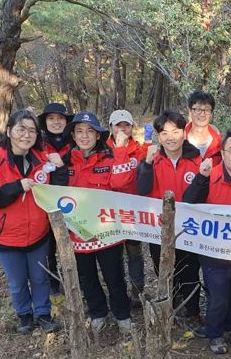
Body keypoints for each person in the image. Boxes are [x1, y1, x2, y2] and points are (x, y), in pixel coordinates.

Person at [0, 109, 61, 334]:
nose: (26, 135)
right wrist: (15, 187)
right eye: (21, 129)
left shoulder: (41, 159)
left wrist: (60, 166)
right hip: (6, 238)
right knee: (17, 282)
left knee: (40, 279)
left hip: (38, 235)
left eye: (32, 130)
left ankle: (43, 314)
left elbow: (56, 187)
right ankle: (24, 316)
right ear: (9, 131)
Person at [183, 129, 231, 354]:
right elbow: (189, 203)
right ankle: (214, 333)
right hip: (213, 250)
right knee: (218, 296)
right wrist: (201, 178)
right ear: (223, 153)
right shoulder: (211, 175)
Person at [60, 111, 134, 335]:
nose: (84, 136)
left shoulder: (110, 157)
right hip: (77, 234)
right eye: (79, 131)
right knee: (87, 277)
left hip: (107, 232)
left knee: (114, 276)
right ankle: (98, 312)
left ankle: (122, 315)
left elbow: (122, 182)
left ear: (98, 134)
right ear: (73, 135)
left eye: (90, 131)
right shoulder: (63, 162)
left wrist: (121, 149)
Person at [137, 110, 203, 329]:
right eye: (164, 133)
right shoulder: (151, 160)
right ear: (158, 136)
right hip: (159, 229)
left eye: (175, 131)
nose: (170, 137)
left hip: (189, 228)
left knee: (190, 270)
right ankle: (171, 310)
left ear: (184, 132)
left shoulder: (197, 159)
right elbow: (142, 189)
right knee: (164, 269)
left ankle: (193, 311)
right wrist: (146, 163)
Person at [106, 109, 147, 305]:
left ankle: (137, 292)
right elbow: (115, 182)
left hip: (132, 211)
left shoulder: (139, 150)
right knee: (113, 255)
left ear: (132, 127)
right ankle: (119, 293)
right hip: (109, 212)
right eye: (118, 125)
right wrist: (120, 148)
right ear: (110, 128)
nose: (122, 129)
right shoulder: (102, 150)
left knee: (134, 253)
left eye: (126, 125)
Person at [37, 102, 72, 295]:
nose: (56, 122)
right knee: (49, 246)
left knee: (72, 245)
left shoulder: (75, 141)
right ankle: (53, 285)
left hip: (73, 202)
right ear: (45, 122)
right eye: (51, 118)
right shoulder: (38, 144)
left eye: (60, 118)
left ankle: (76, 280)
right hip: (46, 204)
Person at [185, 91, 222, 165]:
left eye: (207, 110)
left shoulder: (220, 143)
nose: (202, 114)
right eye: (198, 109)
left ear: (212, 114)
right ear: (190, 111)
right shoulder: (180, 139)